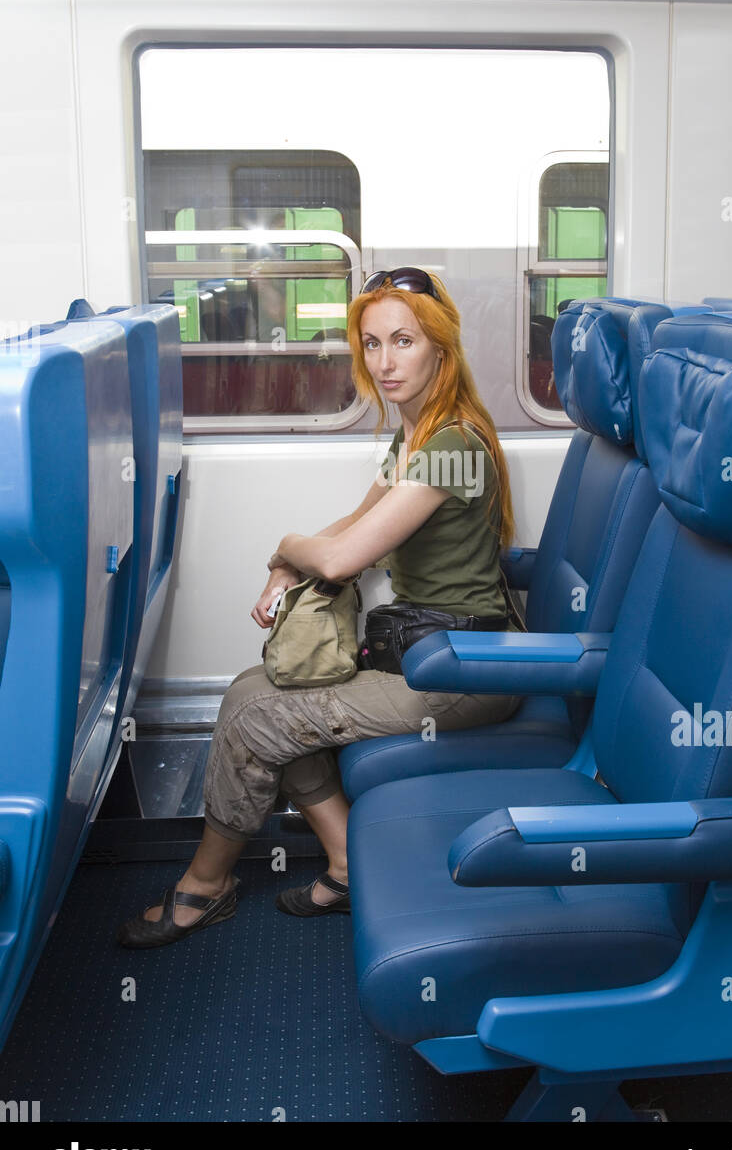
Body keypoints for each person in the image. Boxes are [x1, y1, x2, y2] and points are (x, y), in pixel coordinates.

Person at [118, 267, 521, 947]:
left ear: (440, 350)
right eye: (370, 344)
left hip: (467, 673)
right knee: (261, 687)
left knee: (258, 712)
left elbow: (338, 560)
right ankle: (342, 865)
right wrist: (287, 562)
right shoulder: (418, 436)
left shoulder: (452, 446)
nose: (385, 362)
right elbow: (354, 524)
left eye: (403, 341)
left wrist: (285, 545)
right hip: (429, 655)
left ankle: (207, 887)